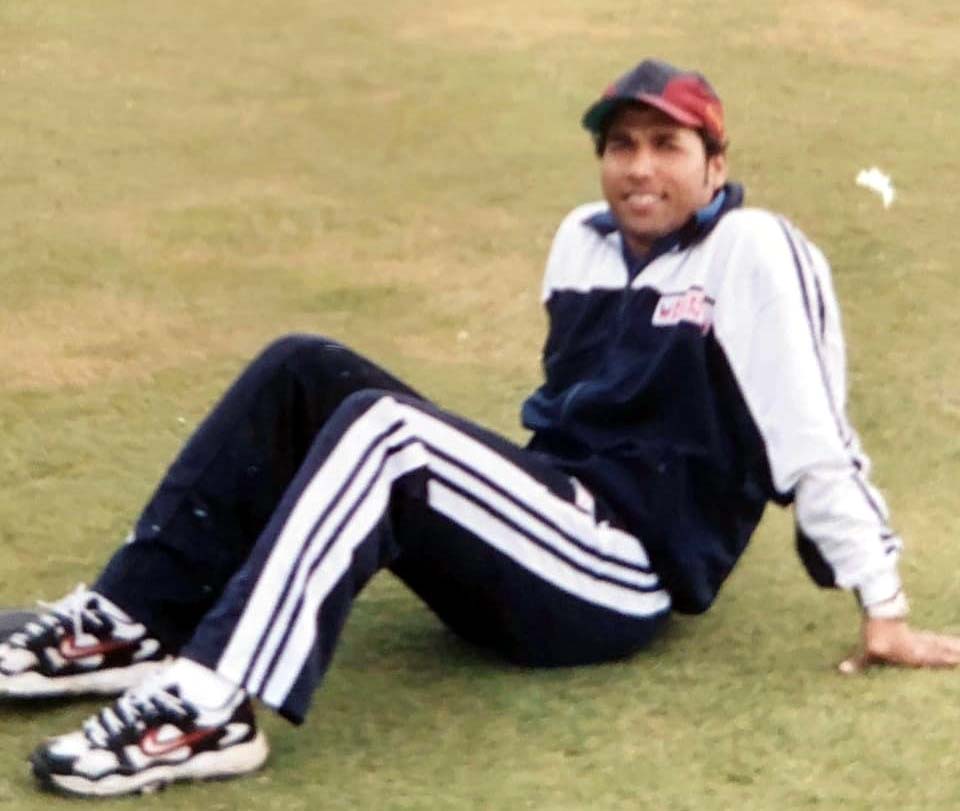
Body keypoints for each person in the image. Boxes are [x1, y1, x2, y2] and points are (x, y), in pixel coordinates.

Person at [3, 58, 958, 798]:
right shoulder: (581, 240)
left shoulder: (754, 249)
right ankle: (128, 623)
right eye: (621, 144)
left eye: (667, 145)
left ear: (715, 164)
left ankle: (212, 704)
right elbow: (570, 419)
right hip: (549, 523)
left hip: (624, 573)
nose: (638, 167)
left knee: (388, 431)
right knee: (303, 366)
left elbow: (815, 435)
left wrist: (882, 605)